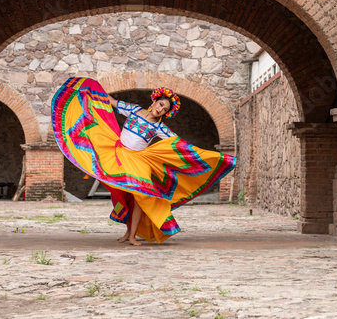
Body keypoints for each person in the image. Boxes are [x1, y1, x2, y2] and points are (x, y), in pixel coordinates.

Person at [51, 77, 236, 246]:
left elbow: (176, 143)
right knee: (124, 195)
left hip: (138, 160)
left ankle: (132, 236)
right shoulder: (133, 109)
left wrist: (199, 154)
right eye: (161, 104)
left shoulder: (159, 126)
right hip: (117, 154)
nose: (160, 109)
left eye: (165, 109)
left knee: (140, 196)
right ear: (154, 101)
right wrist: (92, 91)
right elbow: (111, 101)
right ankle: (127, 232)